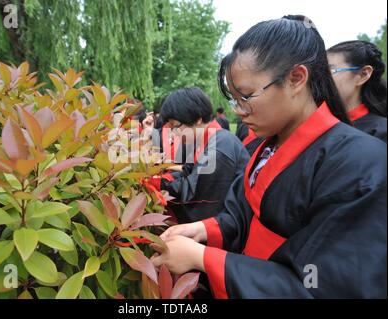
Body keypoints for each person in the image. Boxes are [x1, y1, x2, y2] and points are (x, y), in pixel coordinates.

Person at [151, 15, 387, 298]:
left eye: (247, 96)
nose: (238, 110)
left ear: (296, 78)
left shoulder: (360, 163)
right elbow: (242, 216)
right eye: (234, 100)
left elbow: (320, 285)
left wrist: (204, 259)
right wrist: (203, 230)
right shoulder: (265, 147)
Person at [144, 87, 250, 224]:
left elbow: (195, 193)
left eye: (175, 126)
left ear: (197, 119)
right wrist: (159, 179)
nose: (173, 133)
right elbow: (188, 171)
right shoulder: (201, 140)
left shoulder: (220, 147)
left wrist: (156, 183)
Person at [327, 40, 387, 142]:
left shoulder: (381, 132)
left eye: (331, 71)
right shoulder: (323, 124)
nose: (321, 78)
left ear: (363, 74)